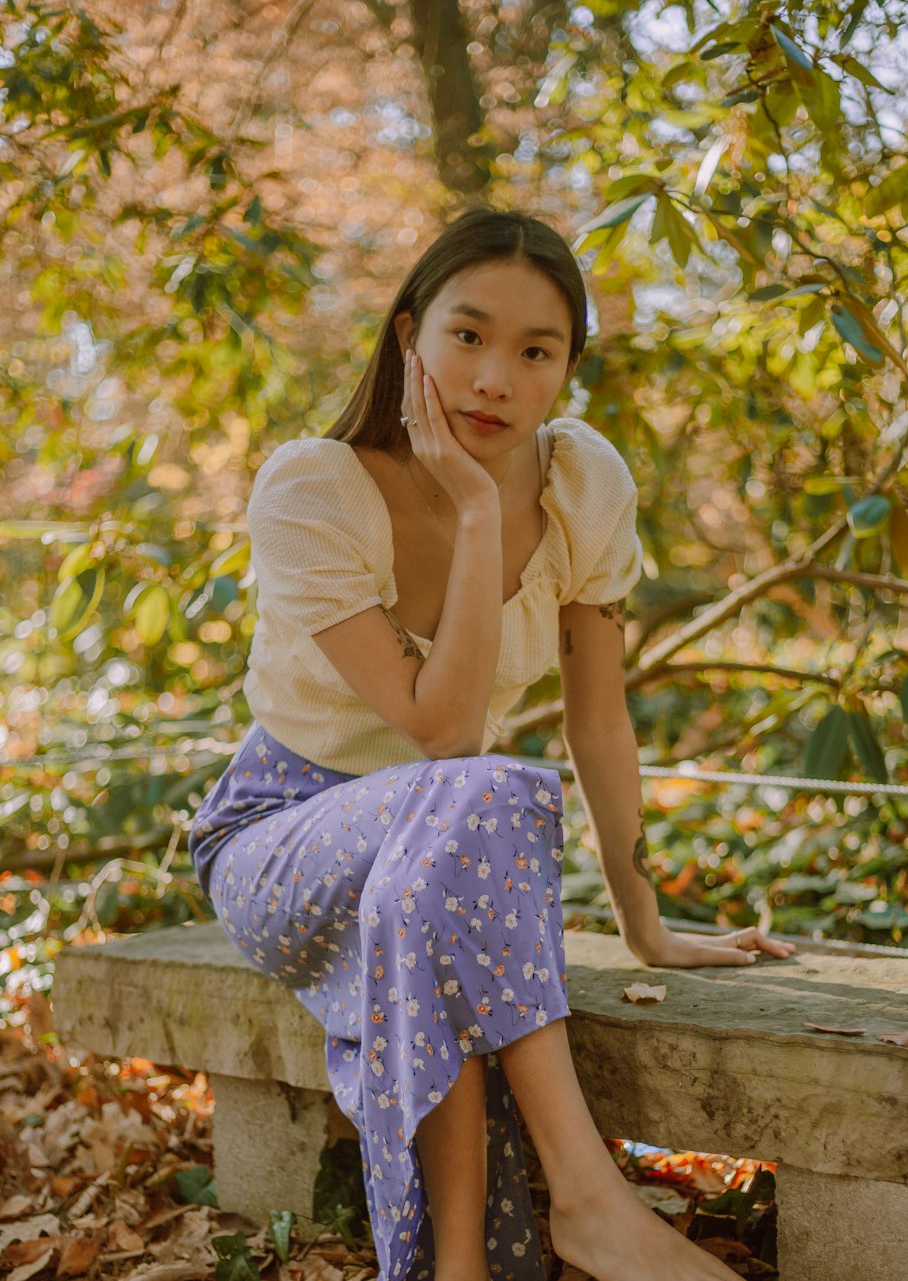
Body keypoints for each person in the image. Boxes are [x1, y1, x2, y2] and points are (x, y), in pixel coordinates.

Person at [188, 207, 794, 1281]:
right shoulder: (313, 488)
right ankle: (589, 1198)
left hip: (447, 852)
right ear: (408, 334)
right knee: (482, 790)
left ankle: (458, 1266)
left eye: (534, 351)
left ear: (566, 370)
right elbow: (443, 729)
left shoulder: (584, 484)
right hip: (284, 831)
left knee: (449, 861)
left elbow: (596, 717)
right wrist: (472, 515)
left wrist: (643, 920)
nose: (493, 379)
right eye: (467, 336)